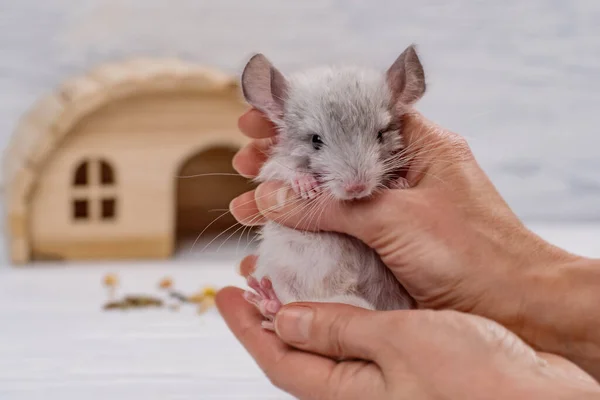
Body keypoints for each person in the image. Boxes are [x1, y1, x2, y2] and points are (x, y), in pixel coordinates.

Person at [216, 108, 600, 399]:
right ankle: (278, 306)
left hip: (378, 303)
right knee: (280, 264)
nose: (353, 181)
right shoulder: (288, 152)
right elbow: (275, 167)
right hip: (317, 282)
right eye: (318, 142)